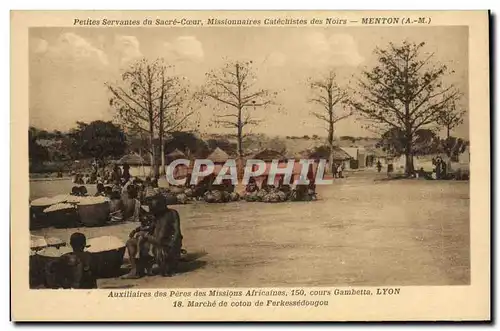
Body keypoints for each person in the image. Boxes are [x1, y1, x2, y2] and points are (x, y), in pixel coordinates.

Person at [122, 192, 183, 278]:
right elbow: (150, 228)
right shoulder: (159, 215)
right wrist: (137, 231)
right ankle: (136, 270)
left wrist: (174, 247)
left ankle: (141, 269)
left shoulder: (171, 214)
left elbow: (173, 235)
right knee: (131, 242)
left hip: (165, 248)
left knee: (141, 242)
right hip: (158, 244)